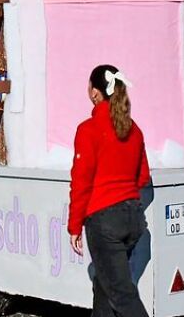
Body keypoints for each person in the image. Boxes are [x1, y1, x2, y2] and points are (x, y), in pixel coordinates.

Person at [68, 64, 151, 317]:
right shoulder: (133, 129)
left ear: (95, 92)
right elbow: (143, 176)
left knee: (122, 296)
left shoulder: (88, 130)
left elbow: (81, 182)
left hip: (105, 221)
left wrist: (74, 226)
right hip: (134, 217)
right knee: (104, 289)